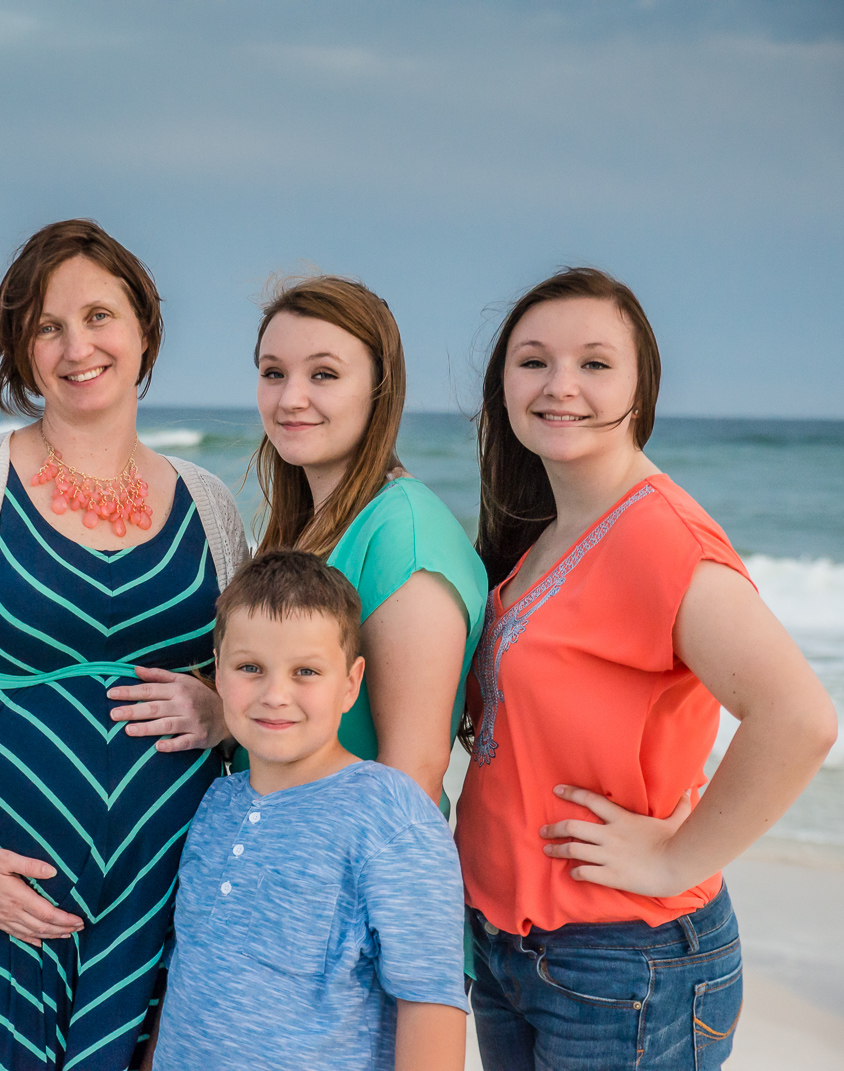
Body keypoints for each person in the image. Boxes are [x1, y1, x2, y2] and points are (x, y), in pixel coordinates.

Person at [0, 219, 249, 1071]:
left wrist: (221, 709)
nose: (78, 345)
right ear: (22, 351)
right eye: (47, 326)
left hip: (157, 900)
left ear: (143, 328)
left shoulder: (212, 504)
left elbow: (263, 681)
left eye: (100, 316)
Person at [455, 267, 838, 1070]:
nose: (561, 385)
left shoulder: (661, 534)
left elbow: (799, 718)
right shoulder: (549, 528)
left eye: (595, 363)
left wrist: (674, 857)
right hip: (515, 948)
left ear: (641, 384)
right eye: (533, 361)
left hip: (623, 959)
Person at [153, 550, 468, 1071]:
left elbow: (430, 1005)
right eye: (250, 668)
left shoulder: (391, 817)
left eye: (306, 671)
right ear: (217, 671)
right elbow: (188, 980)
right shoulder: (216, 803)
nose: (276, 695)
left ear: (350, 683)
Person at [244, 275, 487, 810]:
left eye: (324, 374)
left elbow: (411, 776)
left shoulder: (405, 536)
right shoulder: (309, 524)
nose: (291, 398)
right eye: (273, 373)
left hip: (343, 880)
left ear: (380, 387)